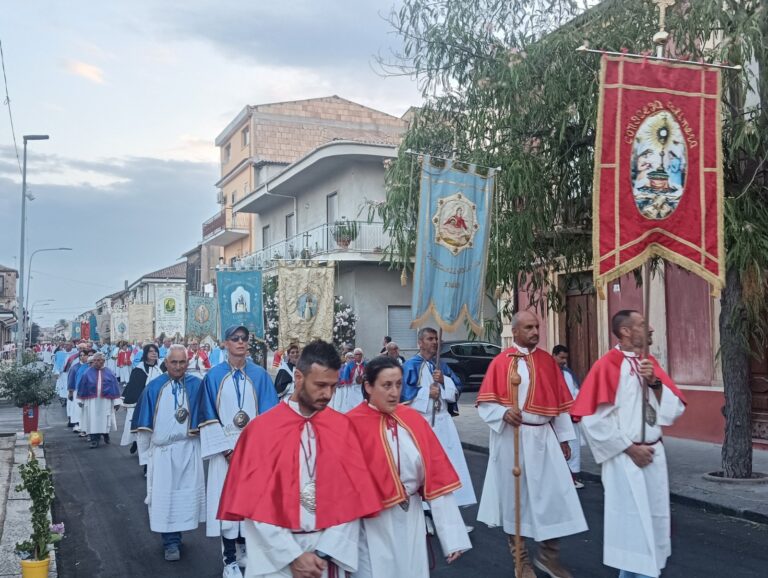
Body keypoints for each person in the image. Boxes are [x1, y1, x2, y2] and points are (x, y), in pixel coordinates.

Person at [217, 340, 382, 578]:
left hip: (328, 559)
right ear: (298, 377)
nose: (328, 394)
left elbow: (353, 500)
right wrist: (292, 555)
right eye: (320, 385)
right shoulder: (262, 431)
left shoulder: (342, 428)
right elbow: (253, 505)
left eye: (333, 386)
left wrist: (324, 552)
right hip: (277, 558)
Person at [572, 310, 687, 578]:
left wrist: (654, 382)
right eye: (643, 324)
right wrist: (629, 449)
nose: (651, 329)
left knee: (653, 524)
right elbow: (592, 419)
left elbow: (673, 410)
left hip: (654, 456)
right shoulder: (607, 366)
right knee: (632, 527)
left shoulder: (649, 363)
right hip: (625, 458)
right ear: (625, 332)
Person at [476, 311, 587, 578]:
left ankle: (549, 556)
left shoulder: (548, 362)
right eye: (528, 327)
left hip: (544, 438)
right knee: (516, 499)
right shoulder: (502, 363)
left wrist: (564, 438)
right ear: (515, 332)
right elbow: (486, 403)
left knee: (555, 495)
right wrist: (503, 413)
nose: (535, 331)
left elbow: (559, 404)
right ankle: (521, 562)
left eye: (536, 326)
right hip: (512, 438)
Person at [348, 356, 471, 577]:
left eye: (398, 384)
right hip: (373, 523)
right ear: (368, 386)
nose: (395, 393)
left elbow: (437, 480)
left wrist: (452, 537)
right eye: (386, 385)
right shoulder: (350, 425)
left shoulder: (414, 420)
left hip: (411, 515)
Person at [197, 325, 279, 578]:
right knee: (227, 506)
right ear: (225, 343)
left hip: (253, 454)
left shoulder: (261, 375)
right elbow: (207, 416)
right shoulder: (213, 377)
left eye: (245, 339)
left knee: (251, 505)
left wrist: (255, 451)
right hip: (226, 453)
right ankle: (229, 560)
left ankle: (245, 552)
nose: (241, 343)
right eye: (235, 339)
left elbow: (269, 417)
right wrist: (226, 451)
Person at [132, 345, 206, 562]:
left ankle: (178, 534)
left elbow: (206, 418)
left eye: (182, 362)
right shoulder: (154, 388)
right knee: (165, 499)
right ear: (166, 363)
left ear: (187, 362)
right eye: (174, 362)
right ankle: (170, 542)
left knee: (184, 498)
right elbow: (144, 428)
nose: (178, 366)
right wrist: (145, 457)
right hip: (164, 453)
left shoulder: (197, 385)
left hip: (189, 449)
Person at [401, 328, 476, 510]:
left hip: (443, 423)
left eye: (436, 339)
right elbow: (403, 394)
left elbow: (456, 388)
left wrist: (443, 382)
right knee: (425, 468)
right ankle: (426, 512)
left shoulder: (441, 366)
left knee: (450, 464)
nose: (434, 342)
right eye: (430, 339)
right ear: (420, 342)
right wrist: (426, 392)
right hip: (423, 422)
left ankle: (451, 511)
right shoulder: (410, 366)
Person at [121, 344, 163, 453]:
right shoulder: (139, 370)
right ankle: (139, 446)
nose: (154, 353)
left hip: (158, 402)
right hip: (143, 403)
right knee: (142, 426)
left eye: (155, 351)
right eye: (151, 351)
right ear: (145, 354)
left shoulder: (160, 368)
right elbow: (133, 387)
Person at [553, 345, 584, 489]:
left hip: (571, 418)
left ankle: (572, 478)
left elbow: (577, 393)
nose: (564, 361)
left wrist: (576, 410)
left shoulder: (568, 373)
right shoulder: (547, 373)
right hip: (555, 418)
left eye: (565, 358)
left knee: (573, 449)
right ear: (554, 355)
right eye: (561, 357)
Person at [77, 352, 122, 449]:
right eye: (95, 360)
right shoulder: (87, 373)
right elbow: (82, 387)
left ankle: (105, 434)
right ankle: (94, 439)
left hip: (105, 401)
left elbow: (115, 387)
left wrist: (116, 402)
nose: (97, 362)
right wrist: (80, 400)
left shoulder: (109, 373)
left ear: (103, 361)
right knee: (92, 420)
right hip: (92, 401)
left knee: (105, 420)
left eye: (99, 360)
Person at [332, 348, 366, 413]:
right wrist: (344, 382)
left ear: (362, 355)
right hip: (351, 387)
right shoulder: (350, 365)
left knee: (361, 402)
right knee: (351, 403)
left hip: (361, 386)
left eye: (359, 354)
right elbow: (345, 375)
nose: (358, 356)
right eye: (356, 354)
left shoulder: (365, 364)